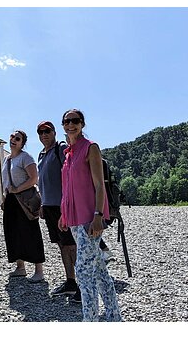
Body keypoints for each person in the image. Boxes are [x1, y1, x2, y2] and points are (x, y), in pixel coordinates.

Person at [59, 109, 122, 321]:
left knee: (84, 273)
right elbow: (68, 188)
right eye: (67, 121)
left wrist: (98, 215)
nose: (71, 125)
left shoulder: (90, 148)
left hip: (90, 219)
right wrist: (63, 213)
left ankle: (90, 320)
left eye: (75, 121)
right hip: (75, 219)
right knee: (99, 270)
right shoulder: (68, 153)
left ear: (82, 124)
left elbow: (99, 185)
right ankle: (114, 316)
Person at [36, 121, 81, 301]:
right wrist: (42, 203)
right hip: (49, 206)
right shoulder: (41, 154)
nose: (44, 134)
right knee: (62, 245)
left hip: (63, 206)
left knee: (71, 245)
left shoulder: (60, 148)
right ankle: (70, 282)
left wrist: (68, 204)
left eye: (47, 131)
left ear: (54, 132)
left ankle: (82, 285)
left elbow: (70, 174)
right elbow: (42, 182)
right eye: (40, 132)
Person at [1, 130, 45, 283]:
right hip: (11, 200)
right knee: (13, 233)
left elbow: (34, 178)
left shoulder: (26, 158)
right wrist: (5, 198)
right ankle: (20, 267)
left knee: (31, 232)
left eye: (17, 138)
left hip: (24, 199)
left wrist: (17, 190)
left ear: (22, 143)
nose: (14, 140)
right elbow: (6, 182)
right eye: (12, 137)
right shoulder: (6, 159)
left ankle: (39, 270)